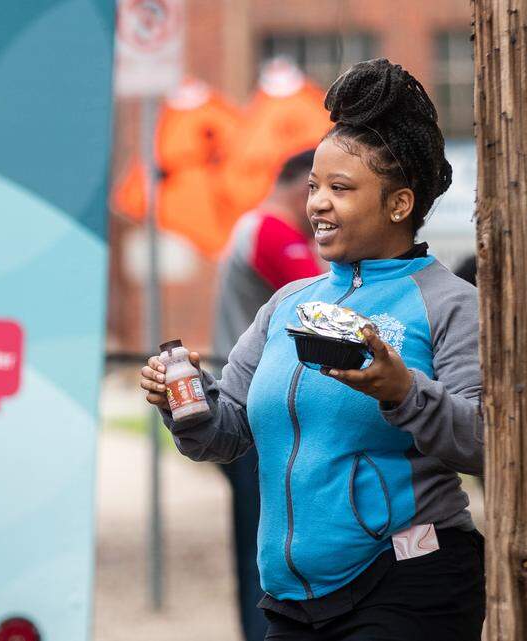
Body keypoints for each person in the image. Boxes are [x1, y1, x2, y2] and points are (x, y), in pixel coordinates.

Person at [141, 59, 484, 640]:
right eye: (314, 188)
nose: (317, 204)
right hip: (293, 600)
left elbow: (485, 442)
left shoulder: (450, 303)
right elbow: (228, 433)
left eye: (341, 189)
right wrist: (185, 402)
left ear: (399, 204)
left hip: (409, 578)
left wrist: (404, 393)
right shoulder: (287, 304)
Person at [211, 148, 322, 641]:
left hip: (245, 408)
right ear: (304, 188)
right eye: (326, 190)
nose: (326, 209)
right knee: (271, 546)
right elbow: (325, 310)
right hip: (258, 415)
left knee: (261, 541)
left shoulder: (252, 228)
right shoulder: (273, 232)